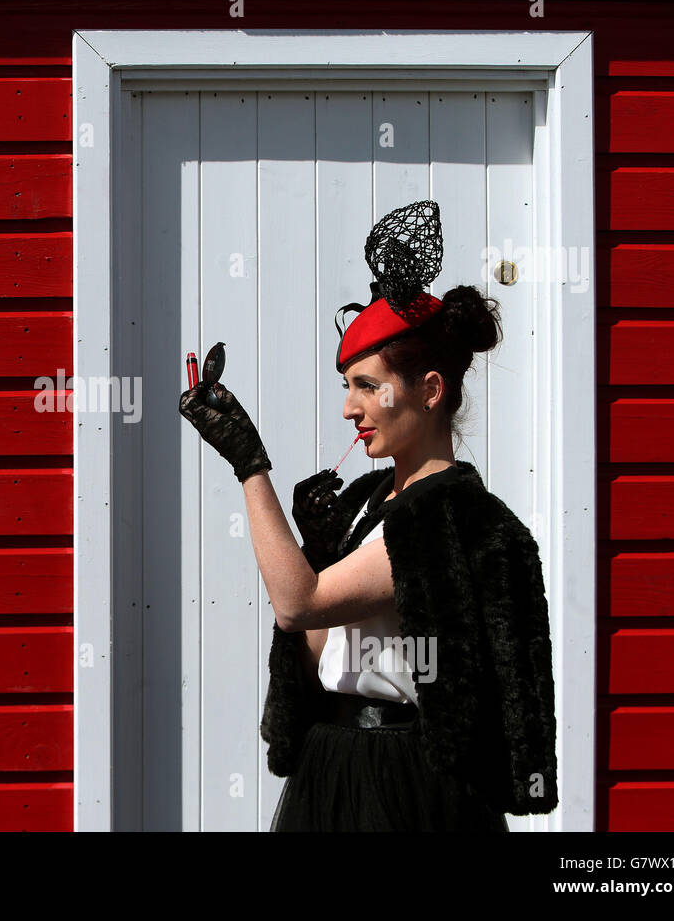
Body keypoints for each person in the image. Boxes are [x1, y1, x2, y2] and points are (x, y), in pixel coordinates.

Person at [178, 200, 558, 831]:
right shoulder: (373, 504)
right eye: (346, 386)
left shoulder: (452, 518)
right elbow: (319, 644)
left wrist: (248, 464)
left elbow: (296, 604)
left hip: (406, 785)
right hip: (338, 763)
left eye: (367, 385)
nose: (351, 408)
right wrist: (324, 548)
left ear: (431, 391)